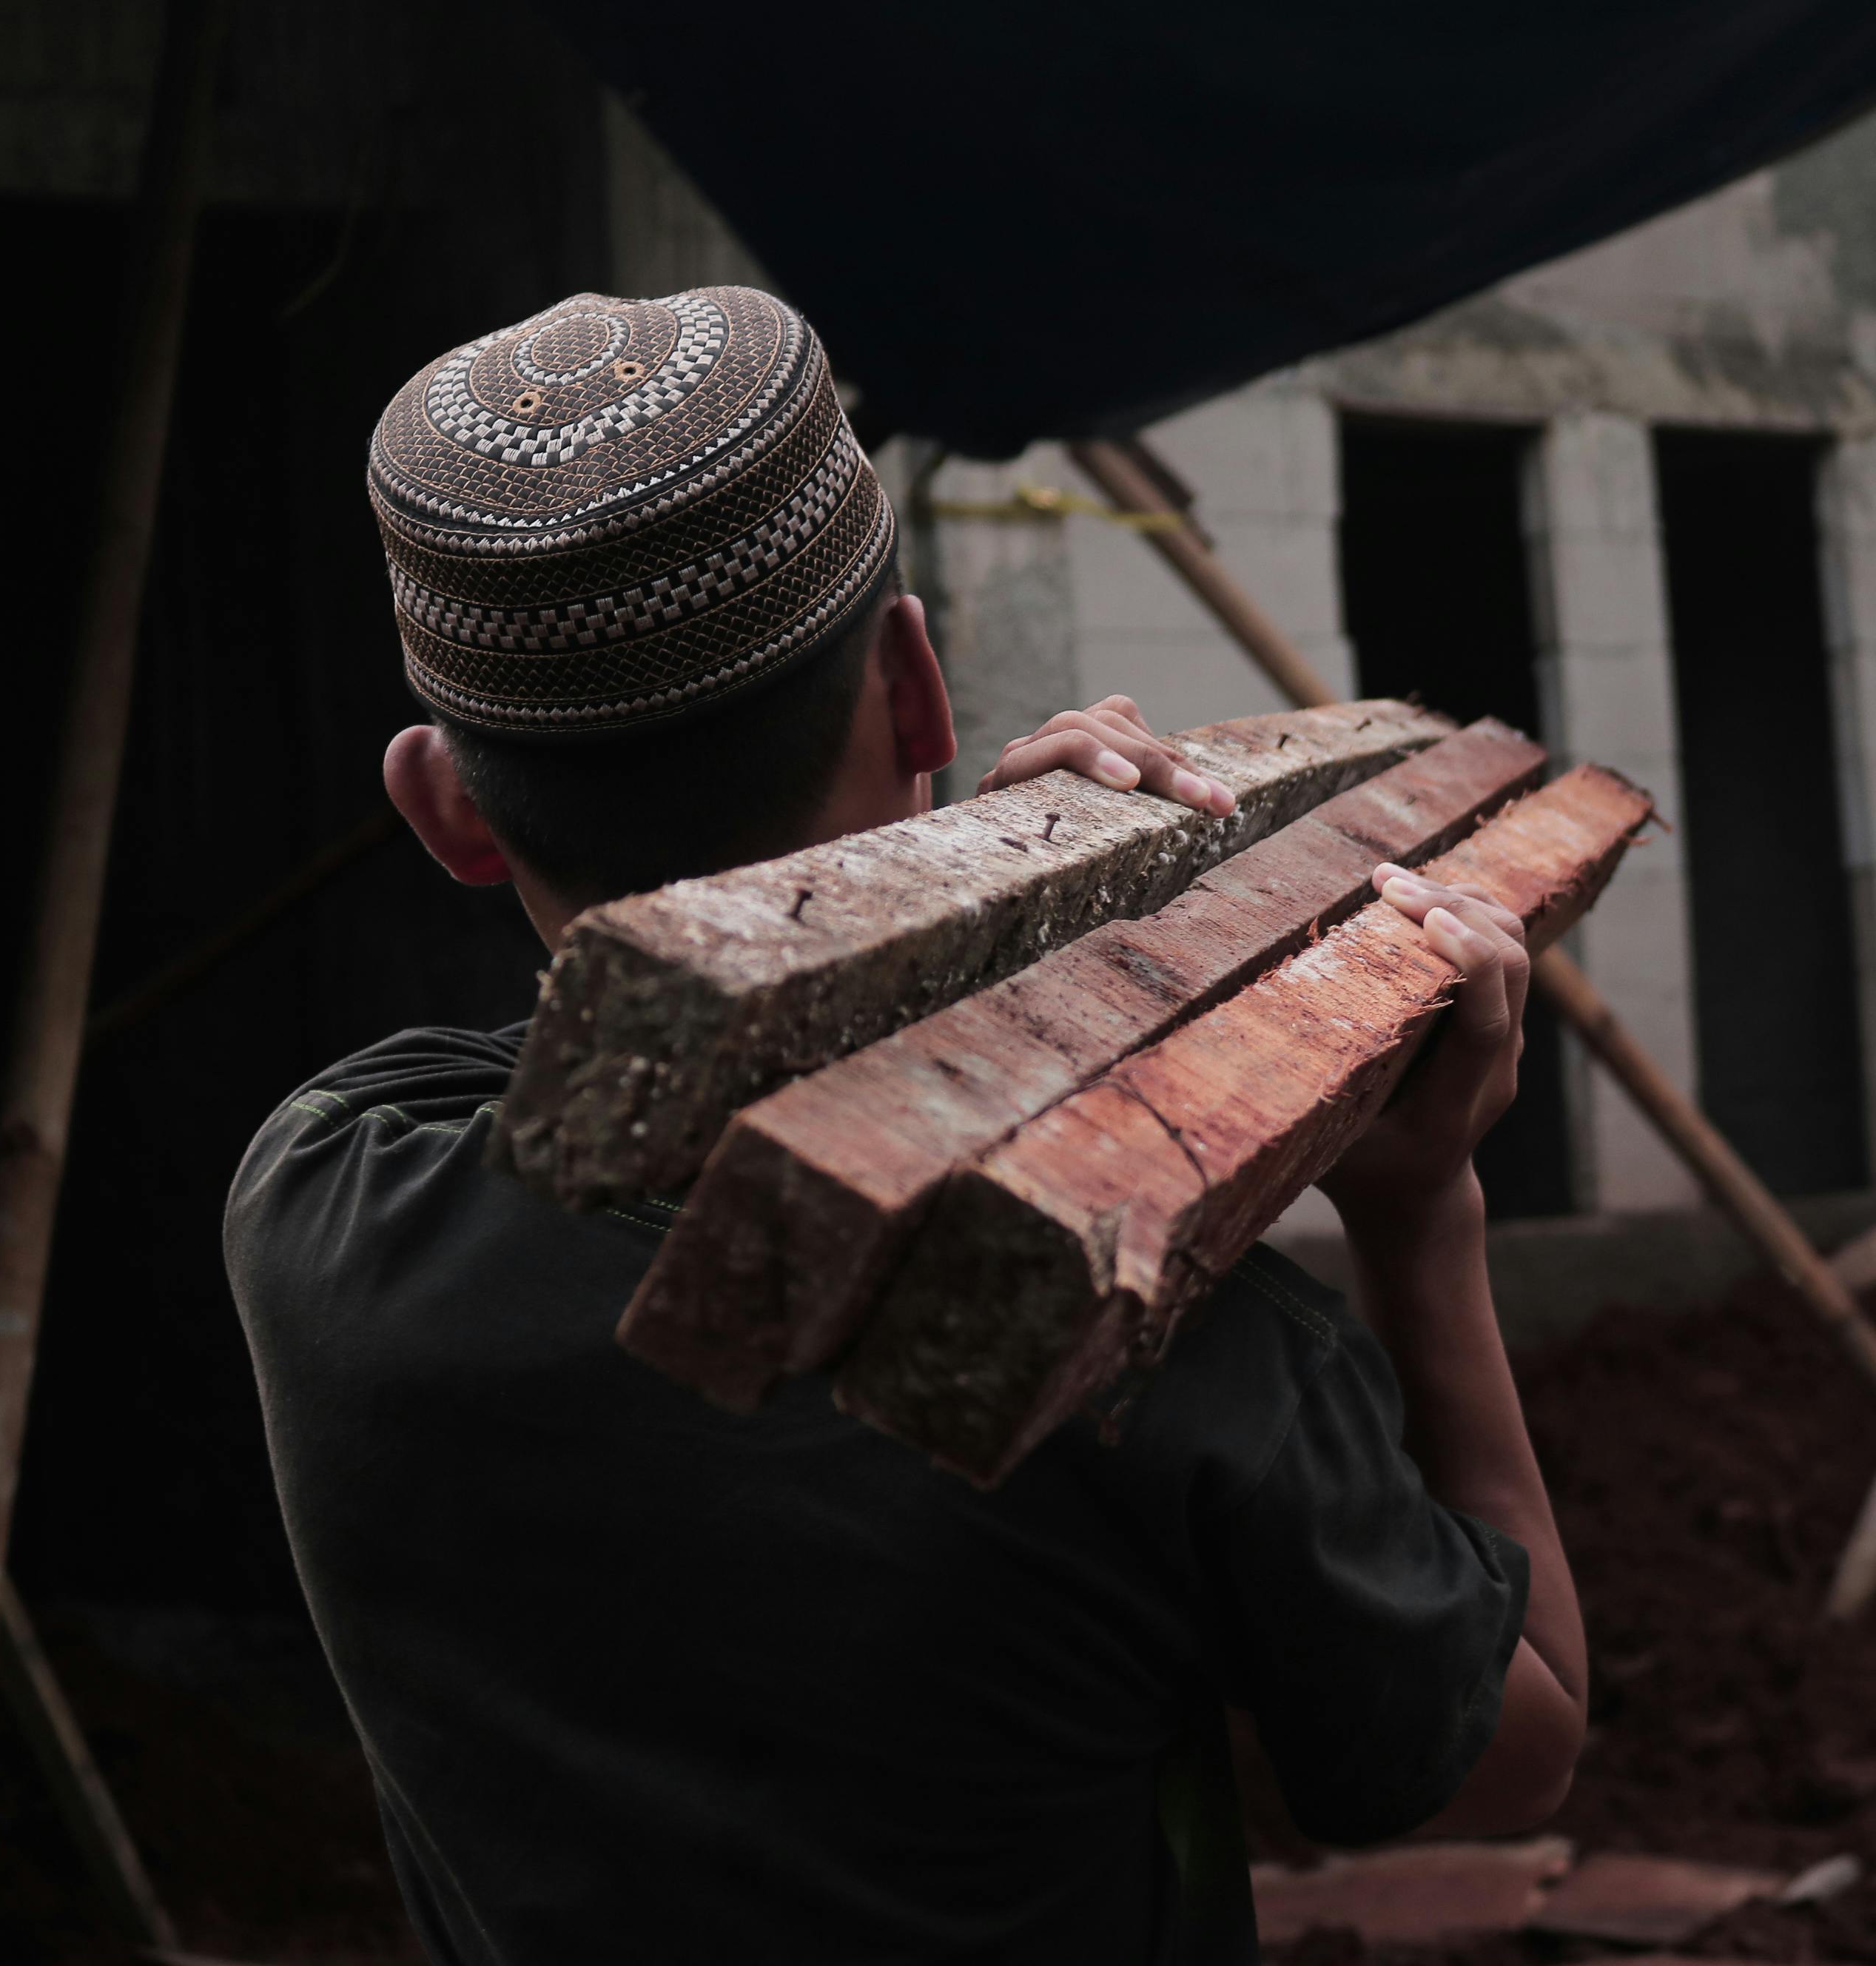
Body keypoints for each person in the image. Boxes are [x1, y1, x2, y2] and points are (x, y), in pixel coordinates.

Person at [225, 286, 1584, 1964]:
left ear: (443, 807)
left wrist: (992, 930)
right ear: (923, 692)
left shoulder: (328, 1204)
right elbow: (1519, 1746)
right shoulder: (1107, 1338)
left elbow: (622, 1122)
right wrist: (1422, 1206)